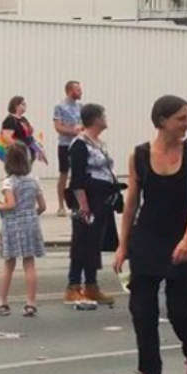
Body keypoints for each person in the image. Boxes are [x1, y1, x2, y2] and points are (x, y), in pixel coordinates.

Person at [115, 96, 187, 374]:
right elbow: (131, 205)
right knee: (142, 310)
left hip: (182, 234)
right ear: (162, 120)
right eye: (181, 118)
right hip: (149, 235)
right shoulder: (140, 155)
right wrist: (122, 246)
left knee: (179, 309)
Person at [66, 103, 118, 306]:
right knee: (82, 242)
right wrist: (83, 204)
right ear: (95, 119)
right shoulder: (80, 144)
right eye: (102, 115)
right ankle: (73, 285)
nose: (105, 118)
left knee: (94, 243)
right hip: (88, 200)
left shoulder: (99, 143)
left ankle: (91, 284)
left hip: (103, 198)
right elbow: (77, 178)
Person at [0, 141, 46, 317]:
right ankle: (31, 303)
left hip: (12, 225)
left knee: (9, 264)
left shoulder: (9, 183)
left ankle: (2, 301)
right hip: (30, 223)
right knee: (29, 263)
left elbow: (10, 204)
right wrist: (31, 214)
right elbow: (43, 206)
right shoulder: (34, 181)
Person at [53, 80, 83, 217]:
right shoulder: (60, 107)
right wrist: (73, 131)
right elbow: (58, 127)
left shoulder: (81, 107)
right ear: (70, 91)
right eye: (77, 90)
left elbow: (84, 124)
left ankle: (77, 204)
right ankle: (61, 205)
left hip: (78, 145)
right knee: (64, 174)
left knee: (78, 175)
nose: (80, 92)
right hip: (65, 145)